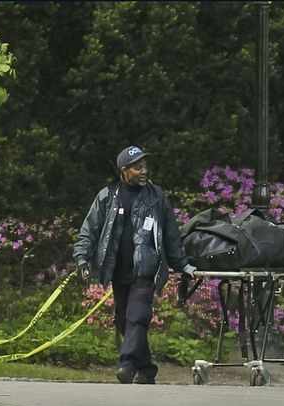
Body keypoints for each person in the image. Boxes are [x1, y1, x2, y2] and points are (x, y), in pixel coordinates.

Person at [73, 145, 196, 384]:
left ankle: (127, 364)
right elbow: (89, 231)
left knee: (137, 316)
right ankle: (147, 369)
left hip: (146, 268)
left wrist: (183, 264)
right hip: (118, 270)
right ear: (124, 170)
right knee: (123, 320)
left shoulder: (156, 196)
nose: (143, 171)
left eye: (145, 166)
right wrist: (81, 257)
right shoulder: (107, 196)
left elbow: (171, 234)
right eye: (137, 167)